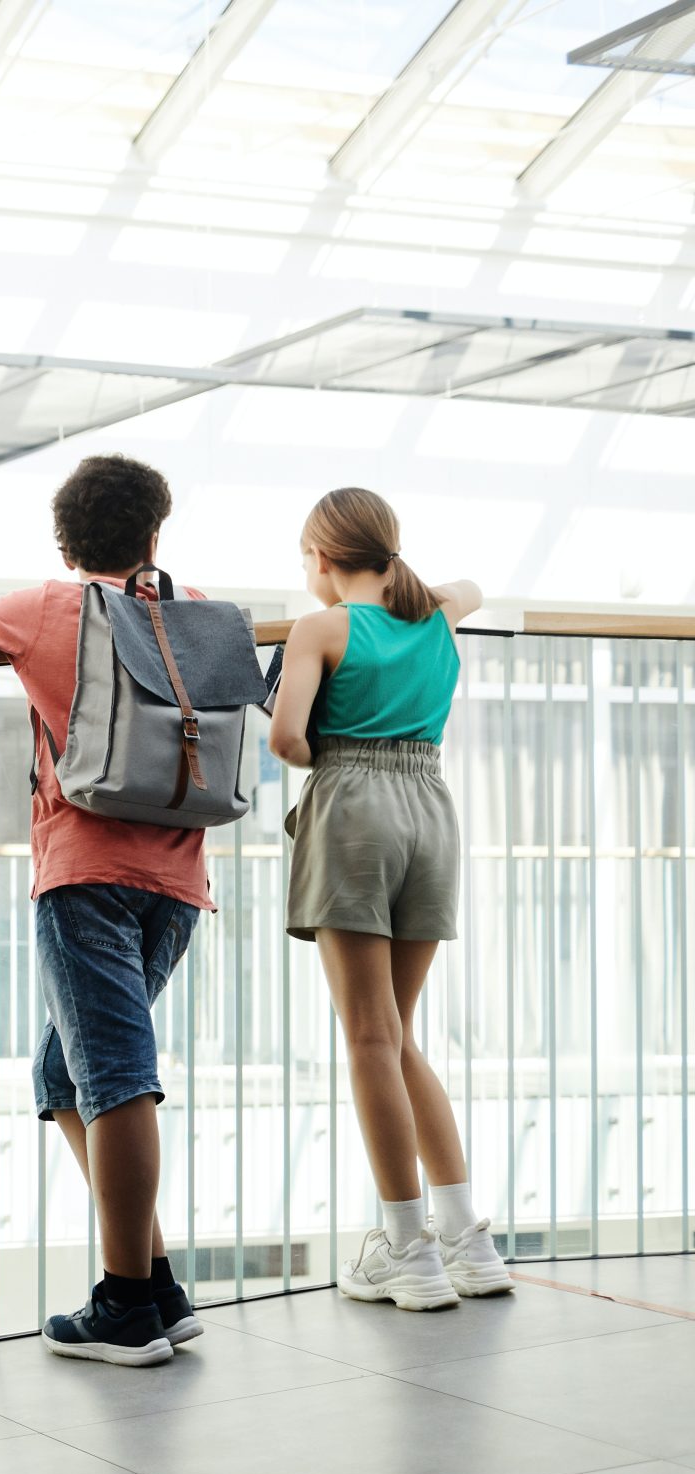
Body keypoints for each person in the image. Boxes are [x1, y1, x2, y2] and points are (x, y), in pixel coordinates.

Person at [0, 455, 207, 1368]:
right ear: (154, 535)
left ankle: (126, 1305)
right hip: (180, 878)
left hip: (86, 873)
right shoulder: (192, 606)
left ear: (62, 541)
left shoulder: (46, 608)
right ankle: (157, 1279)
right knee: (61, 1073)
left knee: (116, 1074)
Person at [269, 488, 510, 1308]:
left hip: (356, 808)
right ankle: (467, 1236)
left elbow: (286, 737)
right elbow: (468, 588)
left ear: (326, 558)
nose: (307, 574)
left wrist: (331, 752)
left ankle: (407, 1249)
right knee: (400, 1032)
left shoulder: (322, 628)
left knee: (369, 1036)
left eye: (307, 558)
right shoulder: (436, 618)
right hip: (430, 807)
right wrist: (423, 592)